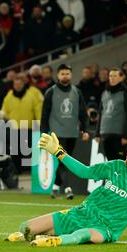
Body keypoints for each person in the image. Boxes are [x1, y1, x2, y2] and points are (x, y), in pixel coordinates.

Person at [8, 134, 127, 247]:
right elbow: (84, 172)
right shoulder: (115, 166)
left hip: (105, 228)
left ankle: (54, 241)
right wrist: (59, 152)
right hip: (81, 214)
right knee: (25, 227)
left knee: (82, 235)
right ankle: (41, 235)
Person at [41, 63, 89, 200]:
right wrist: (44, 133)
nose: (65, 76)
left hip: (72, 132)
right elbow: (45, 114)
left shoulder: (77, 91)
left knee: (64, 160)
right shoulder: (51, 92)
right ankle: (67, 188)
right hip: (57, 133)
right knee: (63, 159)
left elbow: (82, 112)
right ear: (58, 75)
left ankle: (55, 187)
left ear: (71, 75)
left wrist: (84, 129)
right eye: (62, 73)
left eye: (67, 73)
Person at [94, 68, 127, 161]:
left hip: (119, 135)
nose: (112, 78)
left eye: (115, 76)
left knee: (121, 161)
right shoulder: (104, 93)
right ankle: (113, 176)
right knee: (110, 162)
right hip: (105, 133)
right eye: (110, 76)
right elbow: (101, 113)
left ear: (121, 78)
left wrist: (125, 135)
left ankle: (122, 176)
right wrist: (97, 133)